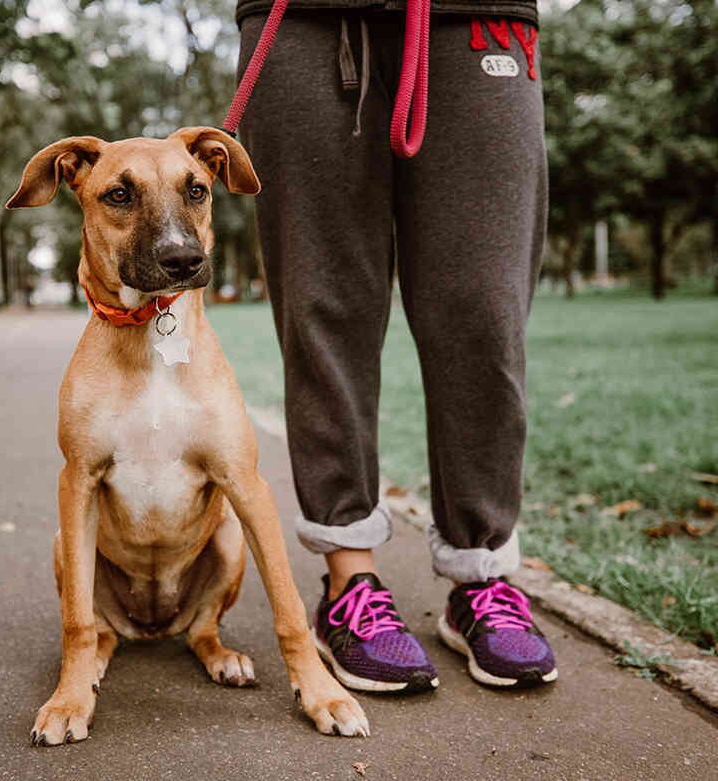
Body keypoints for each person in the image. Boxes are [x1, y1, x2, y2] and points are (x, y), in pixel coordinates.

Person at [235, 0, 556, 692]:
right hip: (304, 21)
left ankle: (482, 573)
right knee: (325, 306)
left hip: (477, 17)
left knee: (485, 313)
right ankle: (348, 576)